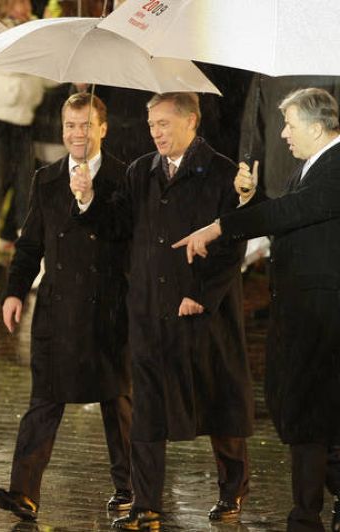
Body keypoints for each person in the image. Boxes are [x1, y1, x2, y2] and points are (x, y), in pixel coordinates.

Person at [70, 92, 254, 529]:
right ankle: (146, 503)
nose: (156, 132)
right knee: (148, 412)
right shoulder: (141, 171)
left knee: (218, 405)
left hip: (201, 313)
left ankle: (233, 492)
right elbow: (116, 227)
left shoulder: (222, 173)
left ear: (191, 121)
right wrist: (87, 198)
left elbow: (233, 244)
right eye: (152, 124)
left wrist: (203, 295)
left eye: (165, 124)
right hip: (150, 310)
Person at [174, 87, 340, 532]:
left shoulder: (337, 165)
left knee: (307, 416)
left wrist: (220, 226)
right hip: (303, 314)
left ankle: (304, 518)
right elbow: (291, 217)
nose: (282, 134)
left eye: (289, 124)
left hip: (324, 316)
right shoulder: (310, 167)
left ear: (318, 126)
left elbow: (297, 210)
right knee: (308, 413)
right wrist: (251, 202)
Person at [0, 93, 132, 521]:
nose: (76, 134)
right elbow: (31, 240)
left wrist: (89, 201)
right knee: (44, 400)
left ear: (102, 129)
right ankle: (24, 493)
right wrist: (14, 291)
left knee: (118, 403)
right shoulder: (47, 178)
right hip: (56, 308)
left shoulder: (125, 177)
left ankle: (130, 489)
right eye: (70, 126)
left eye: (85, 125)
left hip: (108, 308)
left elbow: (124, 233)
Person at [0, 0, 56, 294]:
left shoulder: (35, 29)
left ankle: (32, 269)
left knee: (27, 192)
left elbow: (44, 79)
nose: (24, 6)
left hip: (24, 119)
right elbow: (3, 65)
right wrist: (33, 49)